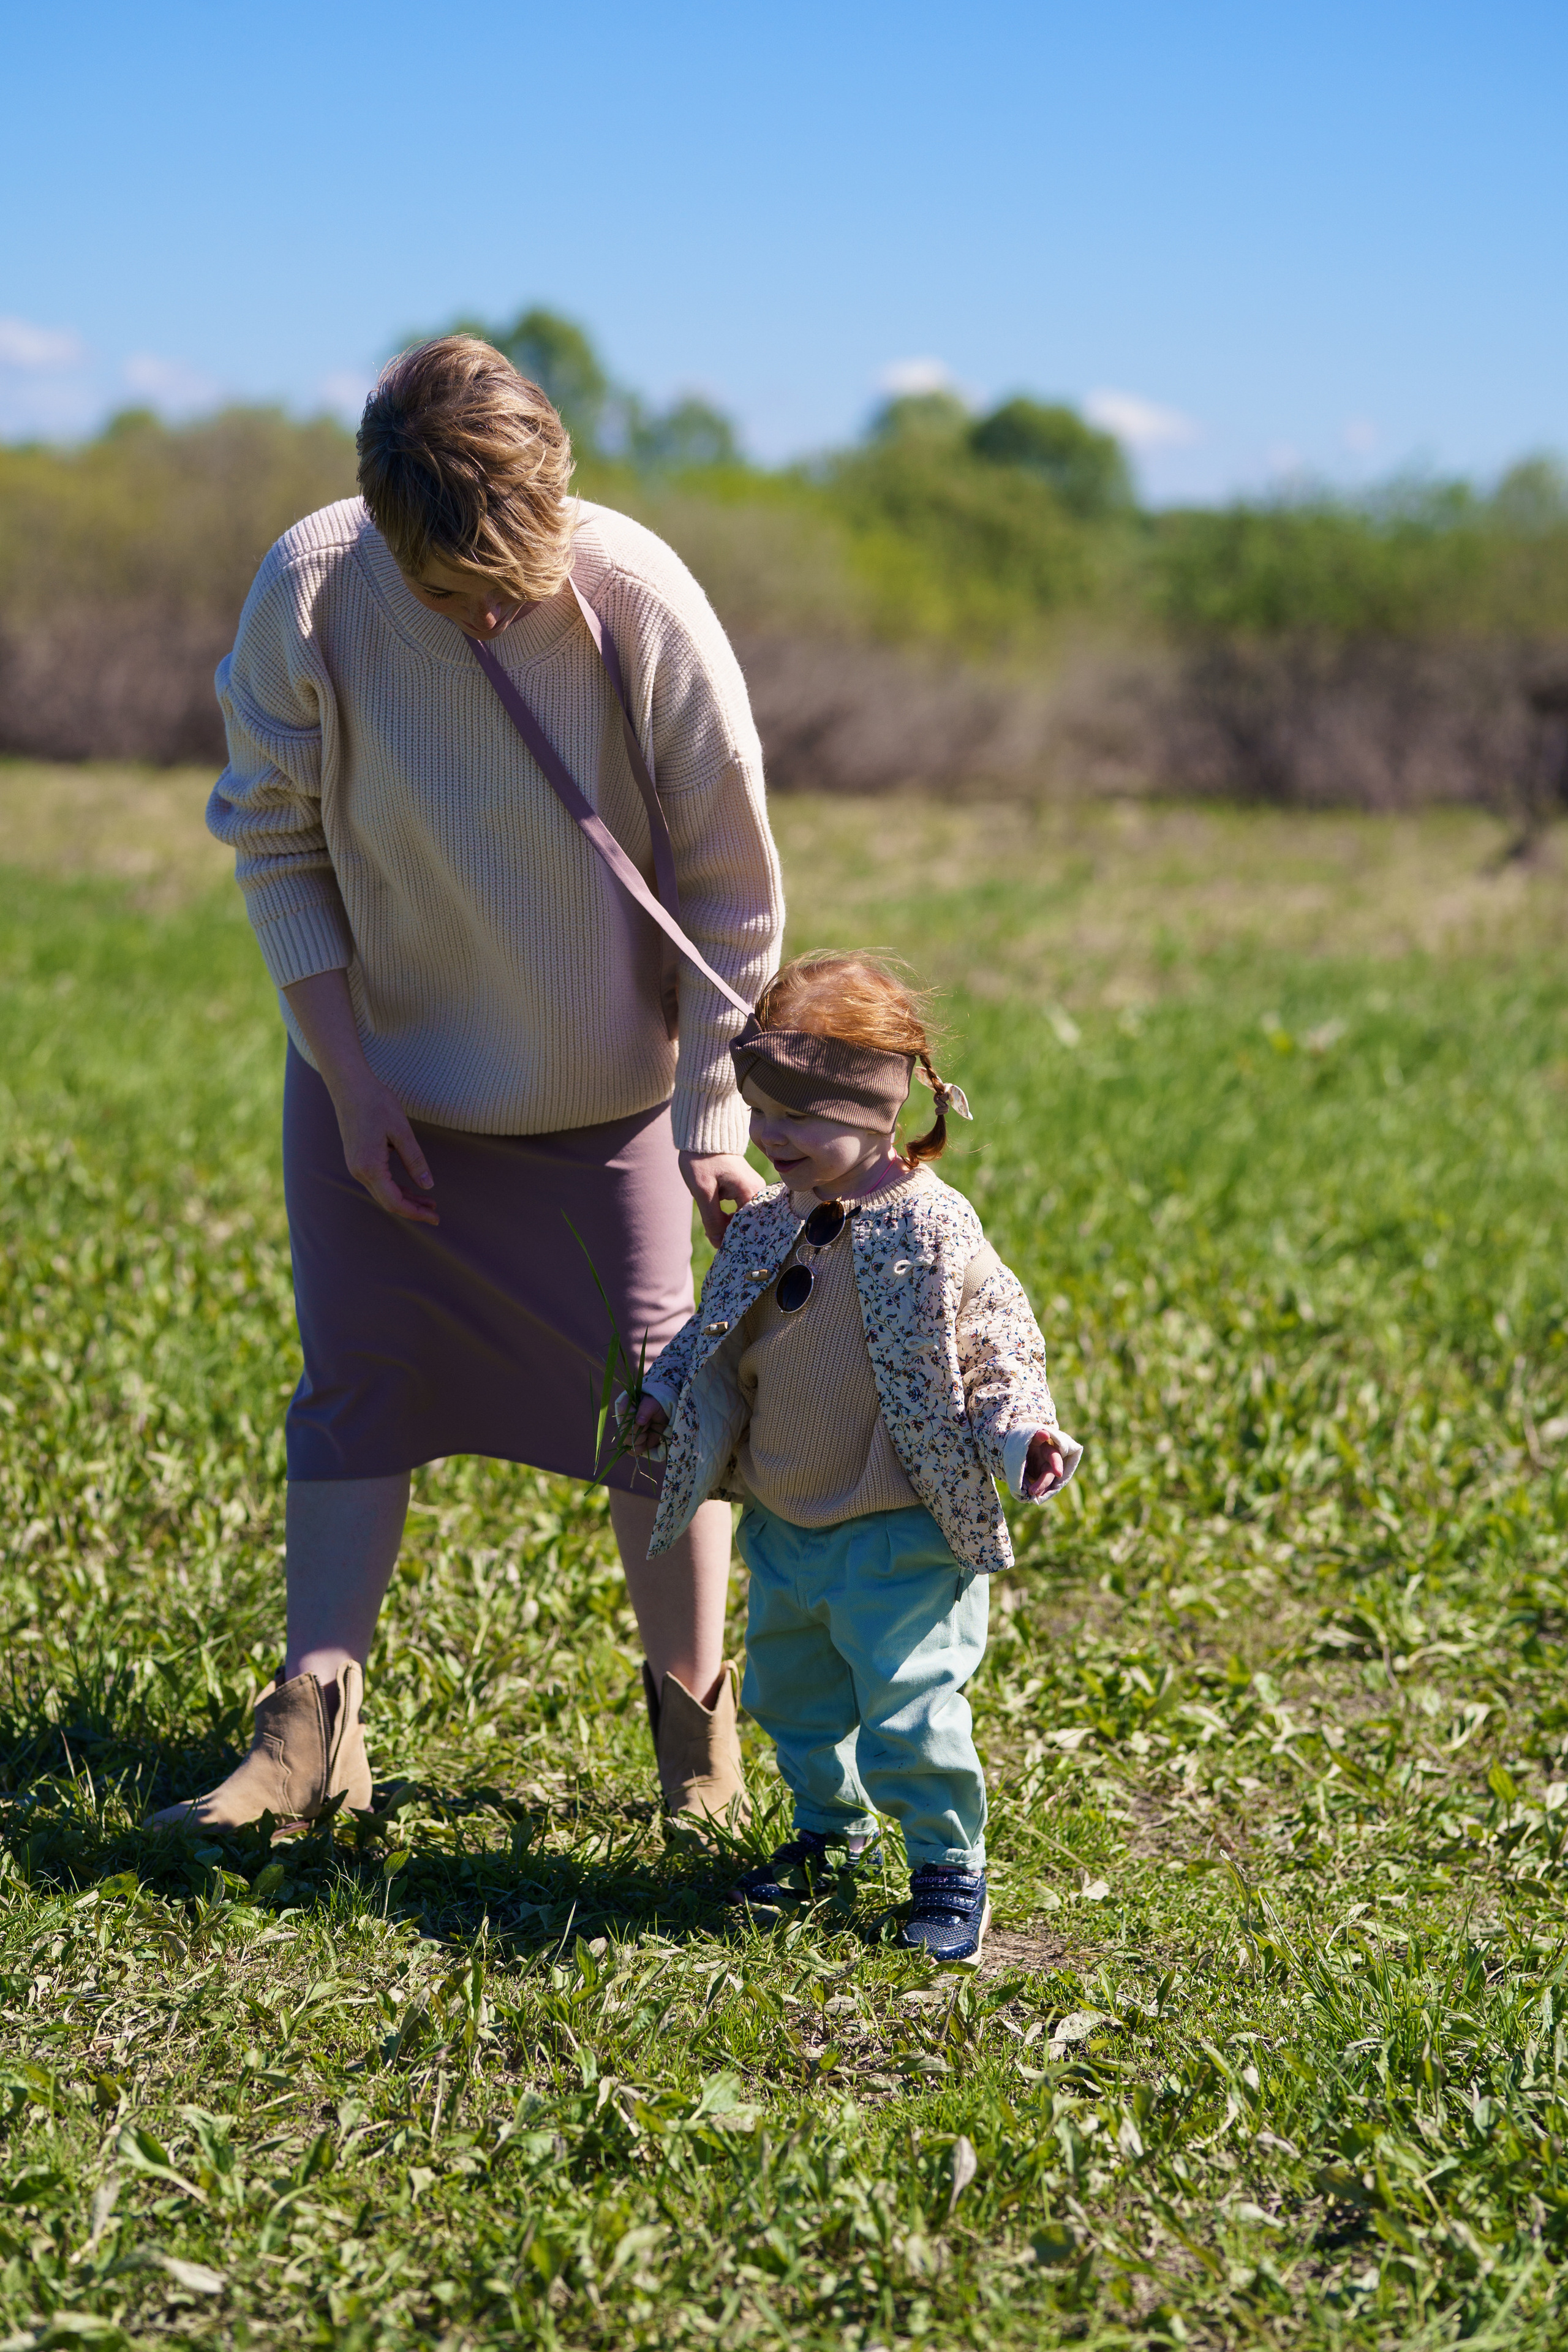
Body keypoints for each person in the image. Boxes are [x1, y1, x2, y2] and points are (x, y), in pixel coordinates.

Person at [151, 336, 783, 1835]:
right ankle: (312, 1732)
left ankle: (696, 1750)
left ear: (558, 496)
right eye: (453, 591)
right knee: (358, 1381)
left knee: (657, 1408)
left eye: (514, 577)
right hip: (382, 1083)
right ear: (379, 523)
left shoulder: (636, 598)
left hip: (602, 1096)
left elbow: (730, 892)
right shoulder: (312, 589)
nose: (491, 611)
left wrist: (709, 1113)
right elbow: (276, 839)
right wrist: (349, 1076)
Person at [628, 953, 1082, 1962]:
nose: (771, 1139)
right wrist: (666, 1397)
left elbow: (997, 1334)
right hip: (789, 1521)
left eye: (800, 1119)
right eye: (761, 1113)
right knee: (795, 1699)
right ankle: (830, 1835)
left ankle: (946, 1866)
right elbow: (717, 1331)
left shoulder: (932, 1224)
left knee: (911, 1705)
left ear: (881, 1110)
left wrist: (1022, 1432)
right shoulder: (764, 1227)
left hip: (900, 1526)